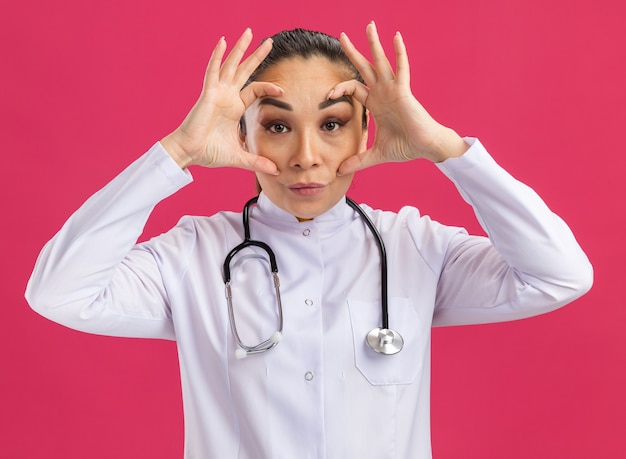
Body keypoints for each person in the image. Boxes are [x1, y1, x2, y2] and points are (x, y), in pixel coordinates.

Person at [25, 23, 593, 458]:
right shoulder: (191, 256)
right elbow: (58, 292)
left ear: (364, 128)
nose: (305, 157)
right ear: (240, 130)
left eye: (331, 123)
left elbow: (560, 274)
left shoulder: (414, 247)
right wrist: (176, 151)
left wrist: (444, 147)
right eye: (276, 125)